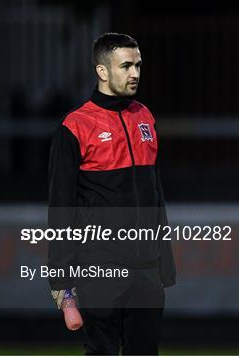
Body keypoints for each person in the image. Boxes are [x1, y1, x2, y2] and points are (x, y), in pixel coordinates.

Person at [47, 32, 176, 355]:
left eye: (138, 65)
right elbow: (60, 206)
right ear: (102, 71)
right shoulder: (74, 126)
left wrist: (165, 261)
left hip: (146, 267)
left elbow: (155, 193)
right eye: (125, 66)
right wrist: (61, 280)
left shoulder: (145, 116)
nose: (134, 73)